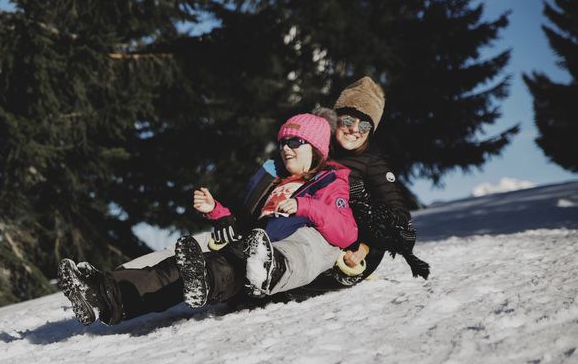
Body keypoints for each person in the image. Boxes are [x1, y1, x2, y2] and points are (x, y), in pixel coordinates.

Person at [58, 112, 358, 325]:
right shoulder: (274, 182)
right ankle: (103, 294)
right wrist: (216, 210)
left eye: (296, 142)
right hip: (253, 244)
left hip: (287, 253)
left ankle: (225, 275)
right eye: (283, 141)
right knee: (175, 268)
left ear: (317, 149)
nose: (286, 148)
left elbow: (345, 231)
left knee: (231, 262)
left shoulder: (330, 182)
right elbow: (244, 223)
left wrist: (305, 206)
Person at [307, 77, 429, 289]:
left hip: (354, 250)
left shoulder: (373, 164)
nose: (354, 129)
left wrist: (365, 247)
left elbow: (398, 215)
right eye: (347, 121)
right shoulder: (315, 152)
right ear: (335, 120)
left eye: (364, 125)